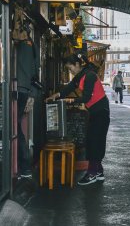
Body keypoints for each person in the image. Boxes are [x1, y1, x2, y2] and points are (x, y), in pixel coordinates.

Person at [46, 54, 110, 186]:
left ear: (77, 64)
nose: (70, 71)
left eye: (70, 69)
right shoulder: (80, 77)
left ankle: (92, 173)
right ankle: (98, 172)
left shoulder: (90, 76)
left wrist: (68, 100)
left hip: (101, 112)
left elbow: (86, 98)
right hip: (94, 112)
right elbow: (68, 89)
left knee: (95, 142)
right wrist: (55, 96)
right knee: (93, 141)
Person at [15, 24, 39, 179]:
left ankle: (24, 167)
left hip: (20, 89)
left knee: (15, 128)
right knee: (17, 127)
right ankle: (25, 167)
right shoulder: (32, 46)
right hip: (27, 90)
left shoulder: (23, 46)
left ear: (24, 33)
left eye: (18, 31)